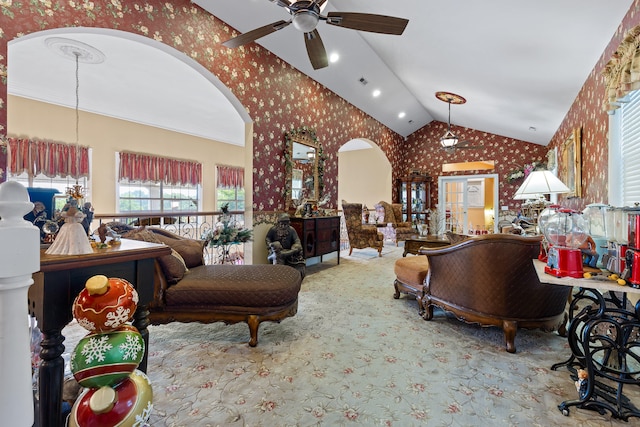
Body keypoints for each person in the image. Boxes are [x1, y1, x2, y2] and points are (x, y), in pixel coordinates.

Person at [265, 213, 306, 279]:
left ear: (288, 223)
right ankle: (280, 277)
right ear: (278, 222)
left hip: (289, 250)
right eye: (282, 224)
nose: (283, 226)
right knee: (278, 259)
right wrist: (270, 246)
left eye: (285, 224)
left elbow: (297, 240)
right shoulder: (273, 229)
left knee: (296, 260)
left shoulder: (291, 230)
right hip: (277, 251)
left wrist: (296, 246)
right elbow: (268, 238)